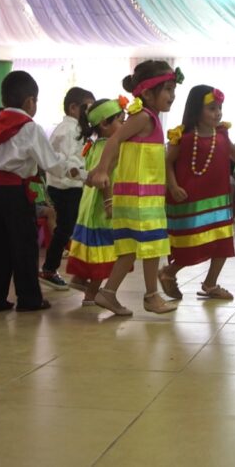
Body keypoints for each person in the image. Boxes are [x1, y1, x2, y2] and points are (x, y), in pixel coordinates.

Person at [0, 71, 77, 314]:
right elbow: (50, 163)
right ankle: (29, 298)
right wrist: (73, 167)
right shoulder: (29, 127)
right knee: (23, 246)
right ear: (30, 101)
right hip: (14, 192)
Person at [87, 60, 181, 315]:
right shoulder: (143, 117)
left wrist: (100, 169)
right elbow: (114, 139)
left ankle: (107, 294)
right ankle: (151, 296)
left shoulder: (147, 118)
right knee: (153, 245)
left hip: (136, 196)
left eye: (174, 89)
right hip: (142, 197)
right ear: (148, 93)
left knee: (130, 248)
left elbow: (123, 148)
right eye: (168, 90)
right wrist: (103, 168)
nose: (172, 95)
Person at [160, 85, 235, 301]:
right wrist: (172, 186)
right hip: (190, 200)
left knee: (222, 242)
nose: (217, 113)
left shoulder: (221, 133)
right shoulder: (183, 136)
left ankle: (210, 283)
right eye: (211, 108)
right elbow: (167, 163)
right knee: (191, 243)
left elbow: (234, 152)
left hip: (218, 200)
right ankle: (168, 273)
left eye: (219, 108)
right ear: (196, 110)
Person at [66, 97, 126, 304]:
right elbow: (105, 177)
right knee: (106, 253)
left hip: (89, 205)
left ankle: (80, 279)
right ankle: (92, 293)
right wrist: (109, 203)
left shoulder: (94, 145)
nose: (124, 124)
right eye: (120, 119)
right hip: (103, 205)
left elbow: (90, 175)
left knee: (94, 248)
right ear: (104, 124)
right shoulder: (112, 146)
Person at [40, 87, 95, 291]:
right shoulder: (69, 130)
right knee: (66, 229)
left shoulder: (74, 129)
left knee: (70, 228)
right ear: (73, 108)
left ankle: (76, 272)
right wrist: (87, 176)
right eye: (88, 108)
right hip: (66, 187)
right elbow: (69, 164)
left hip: (68, 186)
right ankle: (49, 269)